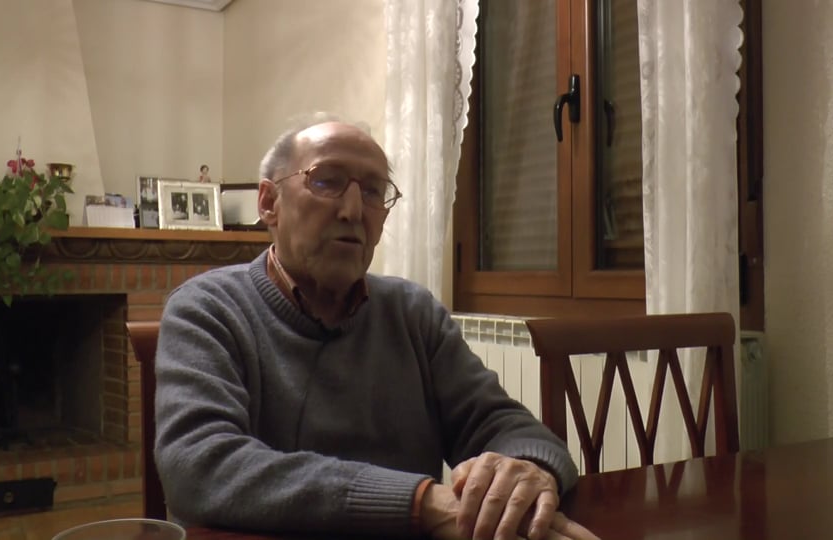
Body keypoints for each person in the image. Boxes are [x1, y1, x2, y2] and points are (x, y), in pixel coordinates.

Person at [154, 117, 598, 540]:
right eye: (326, 181)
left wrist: (525, 470)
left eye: (372, 191)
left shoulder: (412, 313)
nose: (353, 210)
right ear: (269, 203)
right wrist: (420, 504)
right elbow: (200, 466)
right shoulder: (207, 309)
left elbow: (501, 424)